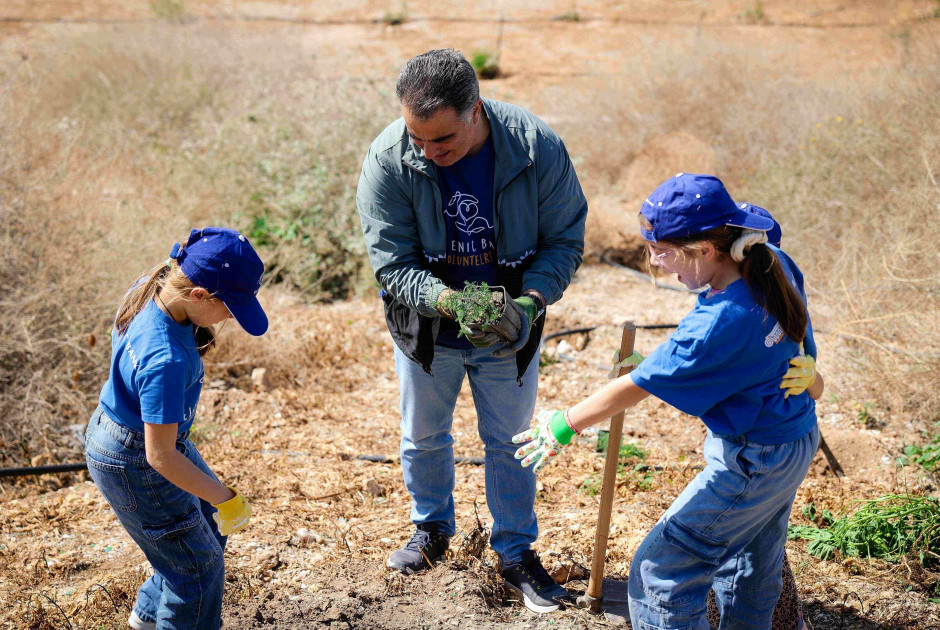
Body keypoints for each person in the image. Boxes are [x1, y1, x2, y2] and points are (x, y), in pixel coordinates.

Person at [513, 173, 821, 629]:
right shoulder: (768, 259)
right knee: (748, 565)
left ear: (704, 250)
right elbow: (794, 331)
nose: (653, 262)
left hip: (751, 461)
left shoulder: (717, 326)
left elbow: (635, 387)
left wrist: (564, 424)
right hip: (793, 439)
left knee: (662, 573)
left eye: (661, 251)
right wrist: (814, 376)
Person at [356, 48, 588, 612]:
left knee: (513, 444)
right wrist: (449, 301)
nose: (429, 153)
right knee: (423, 436)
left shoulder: (537, 148)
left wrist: (530, 304)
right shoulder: (390, 157)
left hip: (512, 333)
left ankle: (515, 554)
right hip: (428, 335)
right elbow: (390, 263)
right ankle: (431, 531)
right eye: (419, 139)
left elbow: (565, 241)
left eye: (444, 143)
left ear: (475, 110)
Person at [84, 227, 267, 630]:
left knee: (207, 527)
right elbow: (160, 456)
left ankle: (149, 617)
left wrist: (218, 501)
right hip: (135, 457)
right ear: (199, 295)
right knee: (198, 567)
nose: (232, 319)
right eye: (230, 308)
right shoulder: (165, 360)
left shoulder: (149, 288)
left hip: (126, 432)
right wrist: (228, 496)